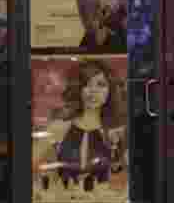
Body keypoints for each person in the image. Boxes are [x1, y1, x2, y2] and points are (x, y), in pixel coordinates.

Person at [32, 59, 127, 195]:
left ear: (110, 90)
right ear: (78, 89)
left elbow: (129, 177)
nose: (93, 91)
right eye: (86, 84)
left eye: (101, 85)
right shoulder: (59, 127)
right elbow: (27, 163)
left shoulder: (118, 130)